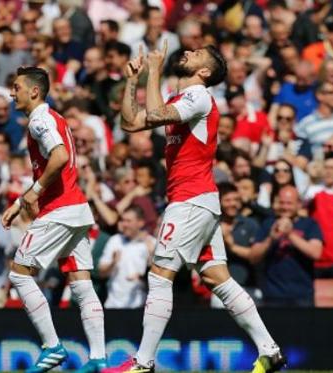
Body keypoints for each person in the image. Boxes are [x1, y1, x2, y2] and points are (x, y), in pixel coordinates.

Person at [107, 42, 284, 373]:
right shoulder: (181, 100)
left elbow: (156, 115)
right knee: (218, 277)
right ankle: (269, 350)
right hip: (197, 200)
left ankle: (143, 363)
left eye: (198, 53)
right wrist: (135, 79)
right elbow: (132, 124)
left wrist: (155, 69)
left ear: (204, 71)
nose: (188, 51)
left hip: (190, 199)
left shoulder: (199, 96)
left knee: (160, 275)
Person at [1, 67, 106, 373]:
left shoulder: (39, 120)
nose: (12, 92)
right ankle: (98, 358)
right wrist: (22, 201)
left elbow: (59, 157)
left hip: (59, 210)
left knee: (20, 274)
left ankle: (52, 346)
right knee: (81, 284)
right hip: (75, 209)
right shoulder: (55, 117)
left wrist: (33, 191)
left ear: (34, 91)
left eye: (17, 87)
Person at [250, 186, 324, 307]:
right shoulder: (268, 224)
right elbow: (253, 257)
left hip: (303, 294)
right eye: (282, 203)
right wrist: (271, 239)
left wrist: (289, 234)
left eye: (289, 203)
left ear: (299, 205)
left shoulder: (310, 224)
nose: (285, 207)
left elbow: (316, 253)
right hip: (272, 294)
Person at [98, 206, 154, 309]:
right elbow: (101, 273)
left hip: (140, 306)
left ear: (140, 222)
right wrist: (113, 263)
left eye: (128, 221)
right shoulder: (115, 240)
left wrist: (151, 255)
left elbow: (159, 277)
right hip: (113, 306)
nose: (124, 224)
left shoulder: (150, 243)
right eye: (123, 220)